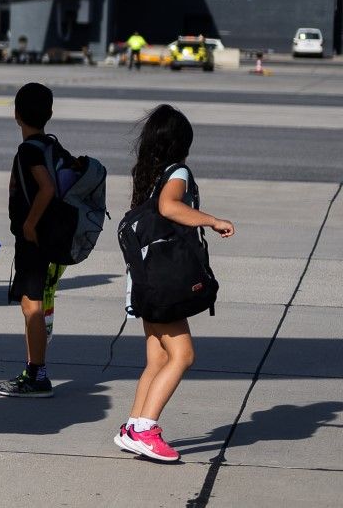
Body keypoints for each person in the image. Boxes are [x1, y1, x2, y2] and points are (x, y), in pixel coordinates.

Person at [115, 105, 236, 464]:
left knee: (157, 359)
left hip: (143, 279)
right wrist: (212, 220)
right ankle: (145, 430)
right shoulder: (177, 172)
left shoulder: (149, 174)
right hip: (162, 283)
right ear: (183, 142)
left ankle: (133, 426)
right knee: (183, 355)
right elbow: (169, 208)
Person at [0, 82, 64, 398]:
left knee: (32, 306)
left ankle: (37, 374)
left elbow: (47, 188)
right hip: (50, 238)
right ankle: (34, 369)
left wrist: (30, 224)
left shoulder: (29, 150)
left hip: (34, 239)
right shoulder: (50, 145)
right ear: (48, 114)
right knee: (35, 304)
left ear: (16, 114)